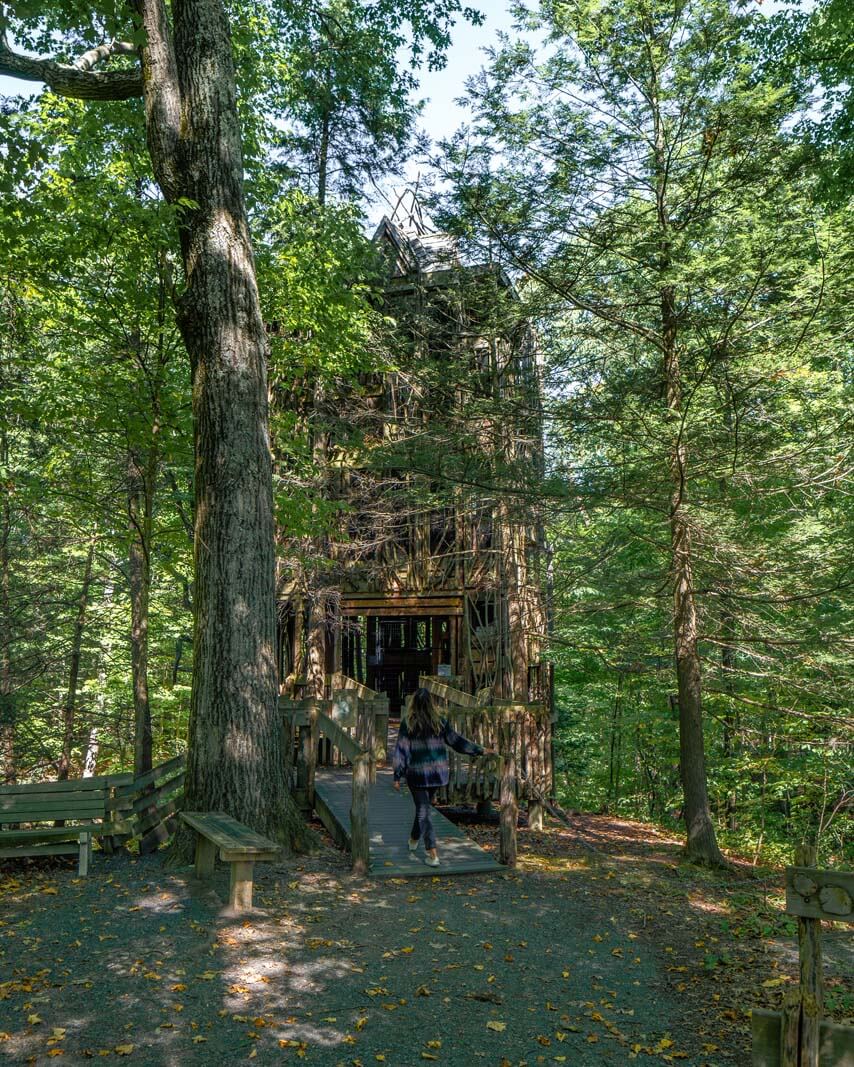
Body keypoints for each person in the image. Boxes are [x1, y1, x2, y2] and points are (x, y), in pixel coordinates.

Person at [393, 687, 495, 867]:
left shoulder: (408, 723)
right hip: (437, 774)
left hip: (417, 774)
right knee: (423, 809)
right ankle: (414, 838)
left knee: (423, 810)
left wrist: (397, 775)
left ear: (414, 704)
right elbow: (457, 741)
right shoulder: (439, 722)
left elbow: (402, 751)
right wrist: (480, 750)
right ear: (431, 703)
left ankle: (432, 854)